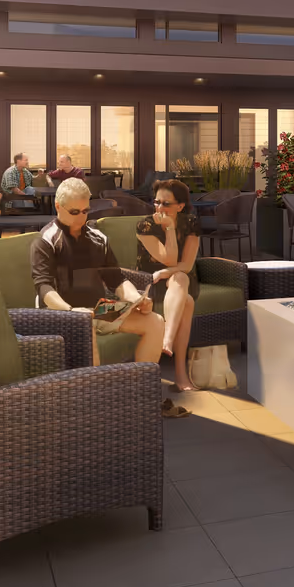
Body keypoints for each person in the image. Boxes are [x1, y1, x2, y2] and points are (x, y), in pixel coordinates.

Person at [31, 179, 189, 417]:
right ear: (58, 206)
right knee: (86, 326)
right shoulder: (46, 240)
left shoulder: (98, 238)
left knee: (155, 321)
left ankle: (140, 397)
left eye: (85, 211)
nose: (81, 217)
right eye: (74, 212)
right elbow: (44, 289)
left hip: (98, 310)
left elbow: (116, 280)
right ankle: (94, 409)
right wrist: (71, 312)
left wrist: (136, 299)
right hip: (61, 314)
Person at [136, 178, 200, 393]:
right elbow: (171, 259)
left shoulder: (191, 223)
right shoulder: (145, 225)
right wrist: (169, 229)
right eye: (156, 202)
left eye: (166, 204)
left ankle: (167, 339)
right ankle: (180, 375)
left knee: (181, 278)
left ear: (180, 206)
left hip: (181, 279)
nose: (159, 208)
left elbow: (187, 264)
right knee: (187, 302)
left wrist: (167, 272)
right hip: (151, 281)